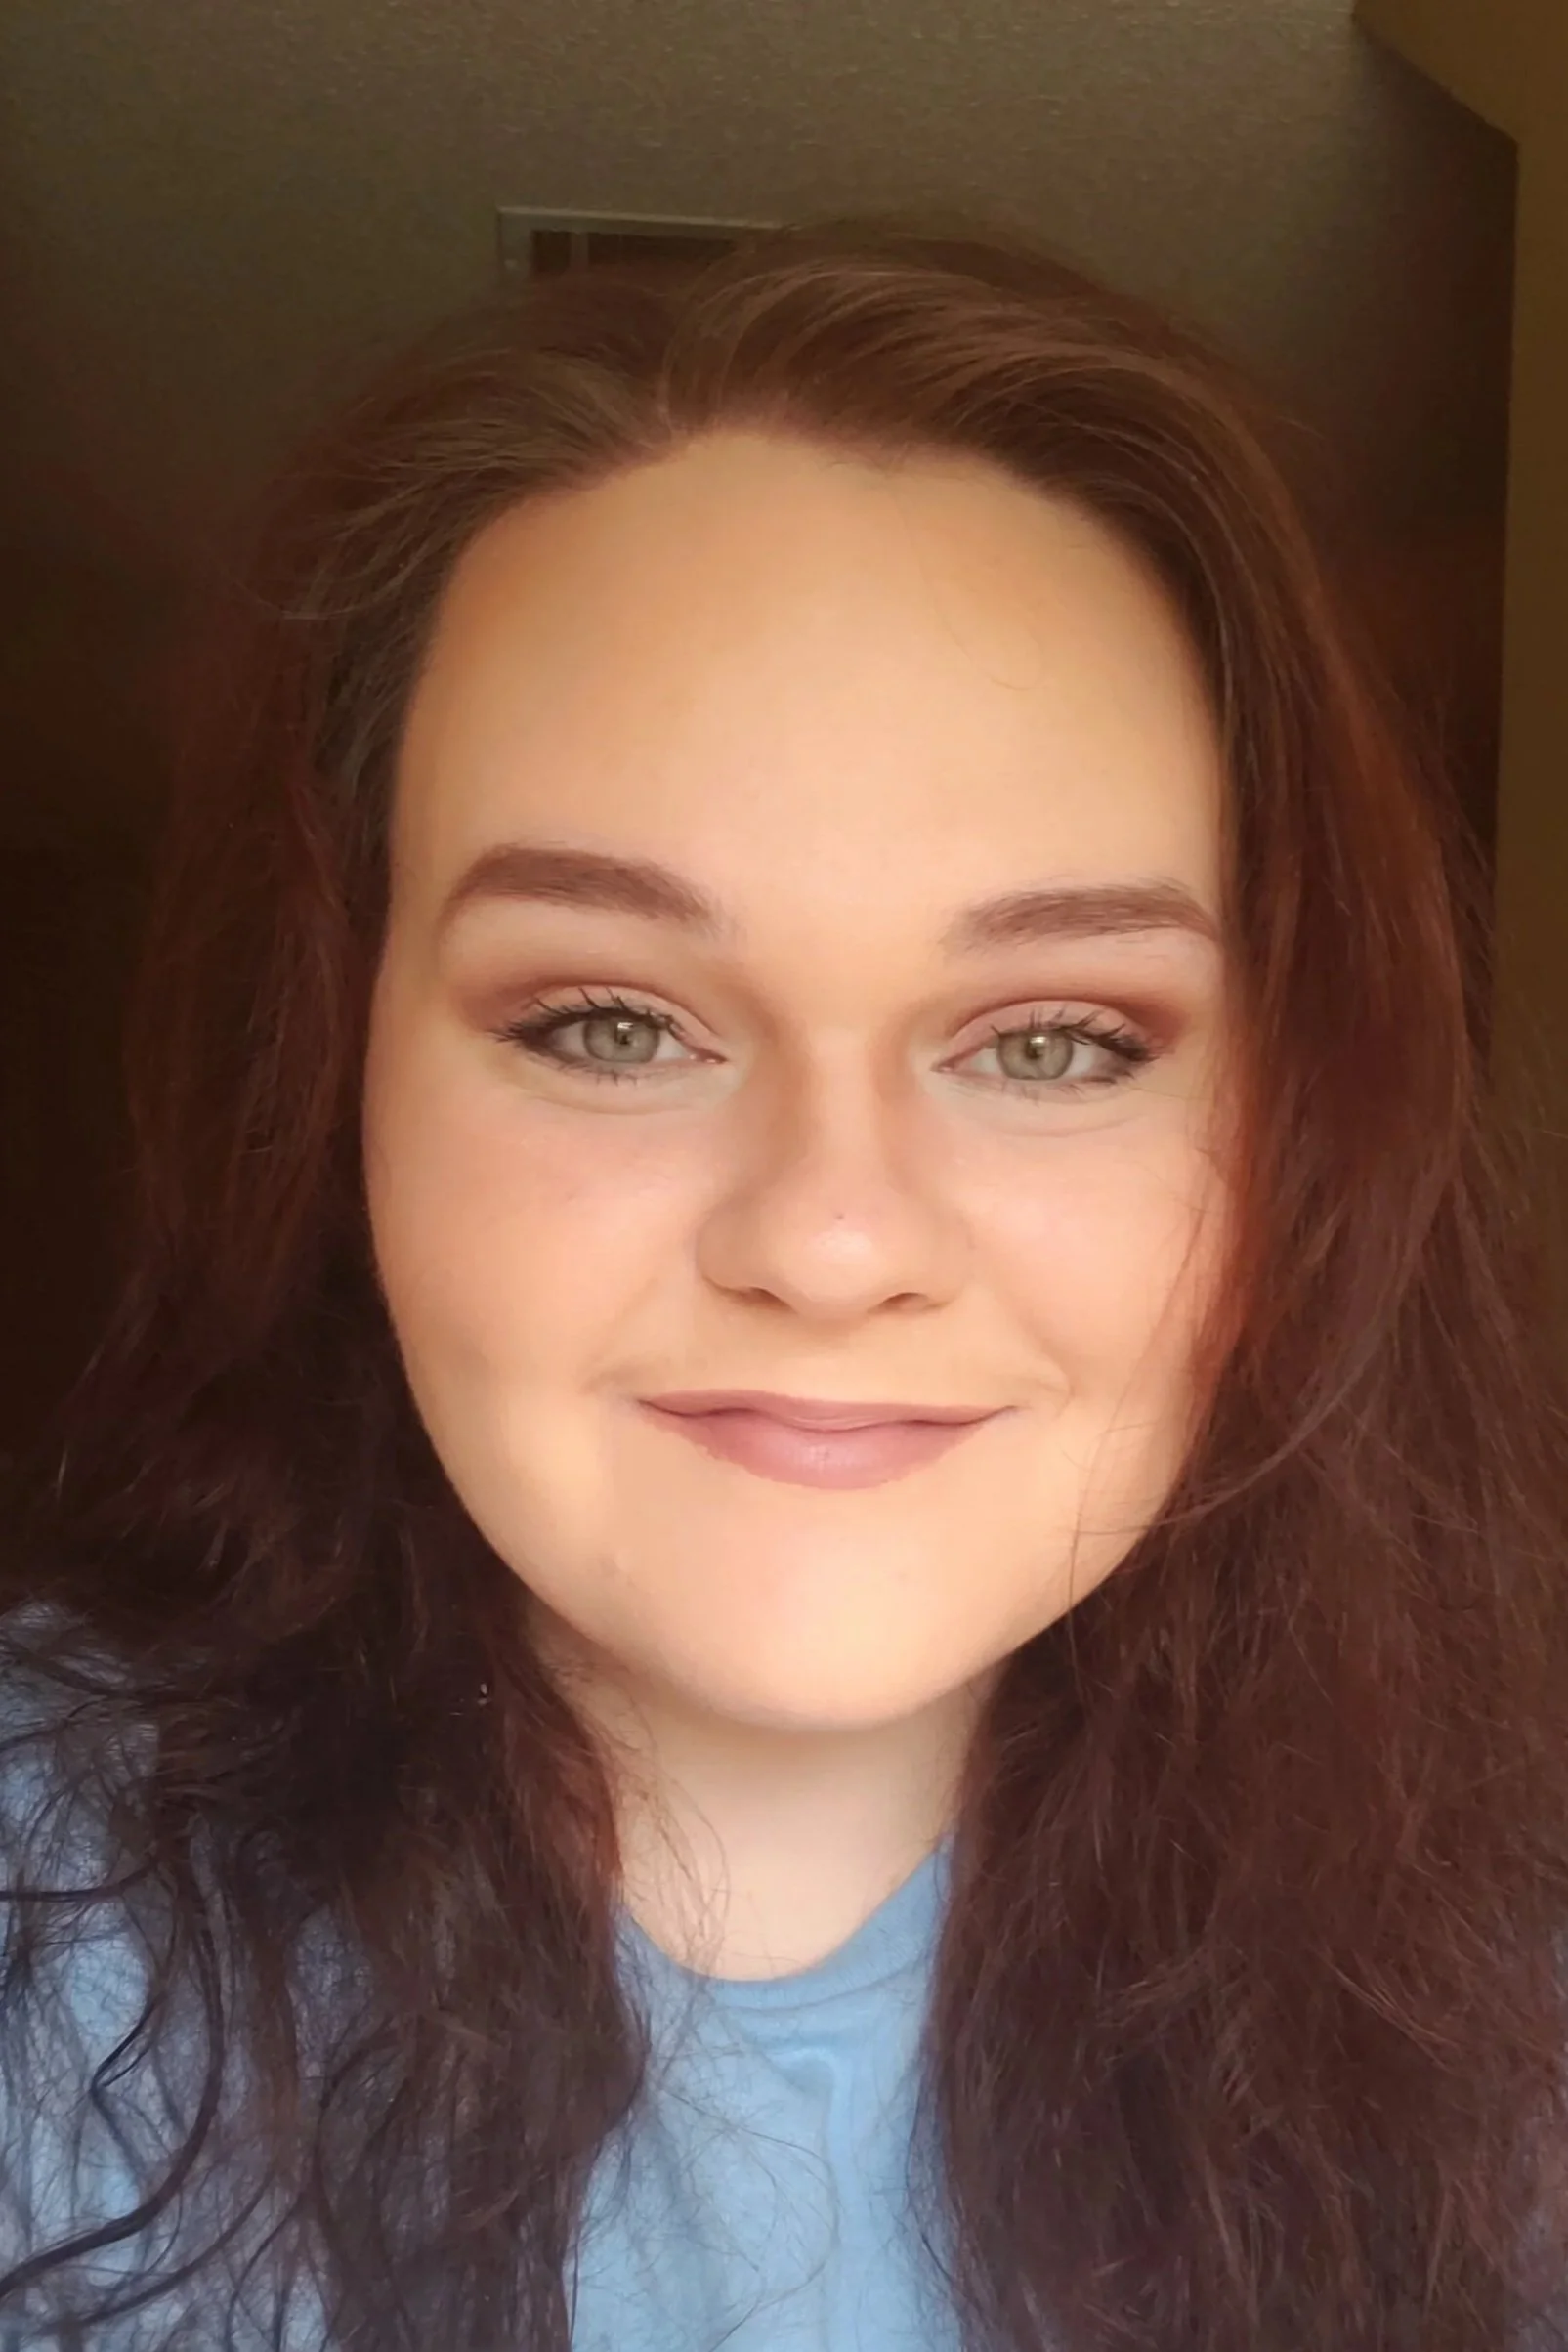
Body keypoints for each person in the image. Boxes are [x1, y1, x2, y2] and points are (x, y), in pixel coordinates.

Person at [2, 213, 1567, 2352]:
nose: (830, 1240)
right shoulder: (46, 1937)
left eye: (1051, 1042)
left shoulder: (1514, 1989)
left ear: (1295, 1145)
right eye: (610, 1023)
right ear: (341, 1080)